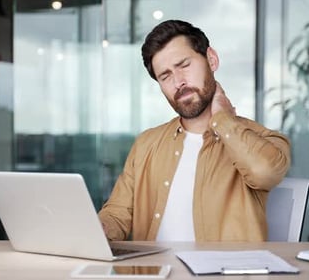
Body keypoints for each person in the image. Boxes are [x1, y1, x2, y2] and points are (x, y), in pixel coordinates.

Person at [98, 19, 291, 242]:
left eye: (184, 65)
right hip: (154, 274)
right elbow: (117, 213)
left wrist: (223, 121)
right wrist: (100, 229)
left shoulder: (263, 139)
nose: (178, 82)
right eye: (165, 76)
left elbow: (265, 173)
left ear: (211, 59)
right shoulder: (146, 144)